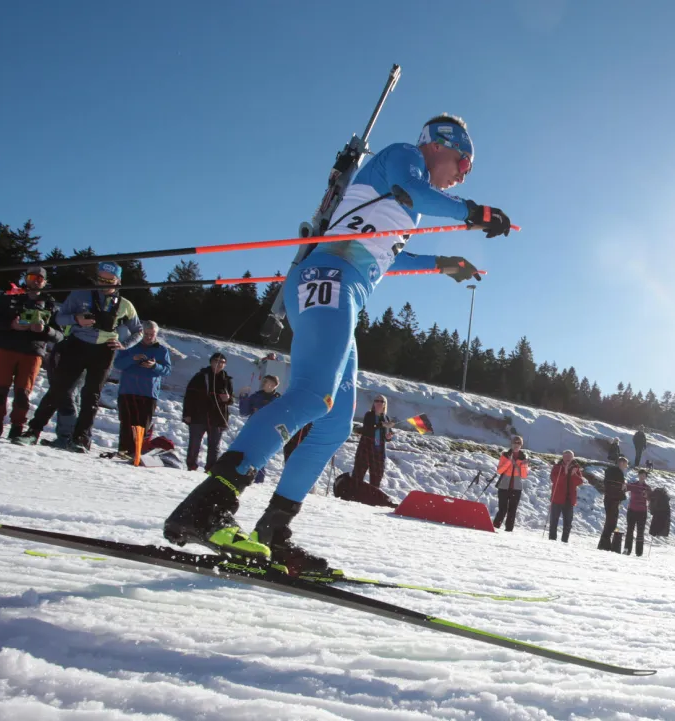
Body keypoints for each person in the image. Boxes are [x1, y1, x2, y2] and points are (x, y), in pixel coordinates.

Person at [163, 113, 513, 574]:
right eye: (463, 162)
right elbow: (422, 194)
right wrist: (476, 212)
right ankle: (206, 508)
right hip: (328, 278)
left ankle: (273, 531)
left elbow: (388, 254)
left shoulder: (405, 207)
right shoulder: (403, 159)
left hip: (344, 285)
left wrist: (442, 262)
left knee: (333, 423)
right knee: (312, 395)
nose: (463, 174)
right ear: (441, 145)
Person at [15, 262, 143, 450]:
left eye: (109, 280)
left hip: (104, 350)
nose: (104, 283)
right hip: (77, 345)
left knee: (91, 396)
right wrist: (77, 319)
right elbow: (59, 318)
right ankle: (33, 431)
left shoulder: (125, 305)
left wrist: (124, 345)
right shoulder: (80, 295)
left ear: (118, 281)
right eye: (100, 278)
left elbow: (138, 330)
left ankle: (80, 439)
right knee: (59, 389)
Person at [0, 266, 62, 438]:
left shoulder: (49, 303)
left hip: (32, 352)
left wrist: (45, 330)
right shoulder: (9, 296)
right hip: (6, 347)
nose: (36, 280)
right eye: (32, 277)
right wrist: (10, 325)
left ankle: (17, 427)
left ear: (45, 282)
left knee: (23, 392)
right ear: (25, 278)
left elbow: (60, 335)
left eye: (40, 278)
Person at [113, 320, 172, 457]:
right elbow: (118, 364)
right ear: (141, 333)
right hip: (128, 390)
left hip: (148, 393)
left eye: (152, 334)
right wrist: (133, 358)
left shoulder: (162, 350)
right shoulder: (129, 346)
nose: (149, 336)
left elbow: (167, 371)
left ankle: (137, 452)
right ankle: (124, 450)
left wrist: (154, 366)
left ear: (156, 334)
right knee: (126, 422)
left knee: (142, 425)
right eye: (146, 334)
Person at [183, 352, 235, 471]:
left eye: (222, 362)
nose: (219, 364)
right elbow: (189, 396)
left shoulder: (227, 380)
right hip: (198, 415)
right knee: (194, 444)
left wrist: (228, 399)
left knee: (214, 446)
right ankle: (191, 466)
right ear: (211, 362)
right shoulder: (200, 376)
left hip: (217, 417)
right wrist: (187, 414)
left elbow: (231, 399)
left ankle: (211, 469)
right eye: (216, 361)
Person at [351, 395, 395, 488]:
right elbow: (368, 429)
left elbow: (387, 436)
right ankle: (353, 492)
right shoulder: (369, 415)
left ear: (384, 404)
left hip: (379, 450)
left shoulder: (386, 418)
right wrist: (382, 424)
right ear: (373, 403)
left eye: (381, 401)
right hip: (365, 447)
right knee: (359, 472)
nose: (379, 403)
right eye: (376, 401)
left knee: (377, 475)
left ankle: (372, 495)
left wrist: (389, 436)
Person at [493, 436, 529, 532]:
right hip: (504, 486)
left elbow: (524, 476)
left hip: (516, 488)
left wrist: (524, 466)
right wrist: (509, 461)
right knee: (502, 509)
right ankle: (495, 527)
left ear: (521, 445)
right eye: (515, 442)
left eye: (519, 443)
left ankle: (509, 530)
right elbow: (500, 470)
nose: (516, 444)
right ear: (511, 443)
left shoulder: (523, 457)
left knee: (512, 511)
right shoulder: (505, 455)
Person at [548, 450, 582, 542]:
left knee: (568, 522)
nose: (567, 459)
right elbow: (554, 479)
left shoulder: (575, 468)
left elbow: (579, 482)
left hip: (569, 499)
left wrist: (573, 474)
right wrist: (565, 473)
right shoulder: (557, 467)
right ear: (562, 457)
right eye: (566, 456)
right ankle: (552, 539)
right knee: (554, 521)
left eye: (569, 457)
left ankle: (564, 540)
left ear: (572, 458)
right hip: (557, 498)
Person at [624, 468, 650, 555]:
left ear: (646, 477)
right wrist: (623, 484)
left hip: (642, 512)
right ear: (638, 476)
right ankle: (627, 550)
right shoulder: (633, 485)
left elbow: (651, 499)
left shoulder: (647, 488)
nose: (642, 477)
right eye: (641, 475)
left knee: (640, 532)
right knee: (629, 531)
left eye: (644, 475)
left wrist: (648, 495)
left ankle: (639, 552)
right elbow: (624, 488)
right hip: (632, 511)